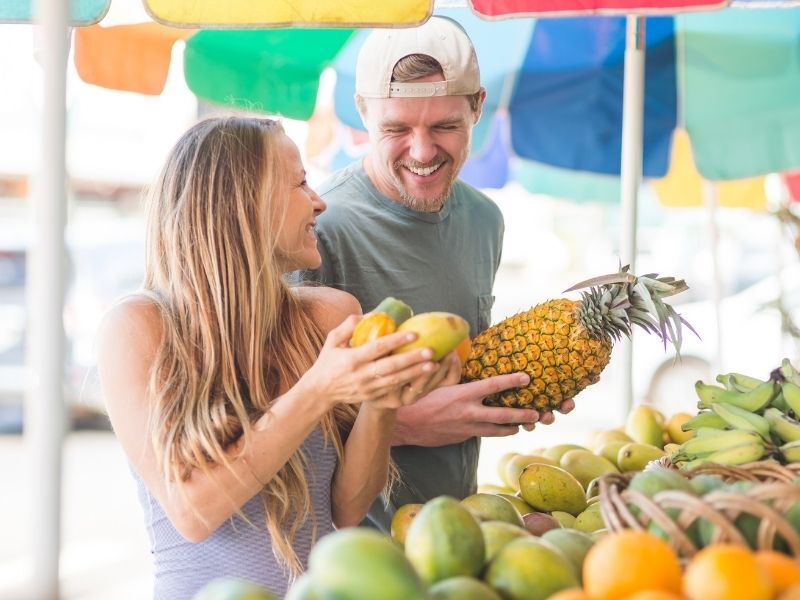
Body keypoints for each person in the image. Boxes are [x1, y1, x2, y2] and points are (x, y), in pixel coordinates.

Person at [96, 116, 458, 599]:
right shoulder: (138, 326)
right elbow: (194, 511)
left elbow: (347, 509)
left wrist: (381, 399)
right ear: (242, 204)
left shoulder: (329, 314)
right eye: (301, 182)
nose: (320, 201)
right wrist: (318, 388)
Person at [296, 16, 575, 531]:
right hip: (346, 550)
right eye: (396, 129)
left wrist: (526, 385)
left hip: (454, 531)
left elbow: (459, 367)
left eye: (444, 126)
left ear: (477, 107)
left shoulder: (484, 220)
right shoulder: (318, 230)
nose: (423, 152)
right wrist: (403, 424)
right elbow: (273, 418)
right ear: (362, 113)